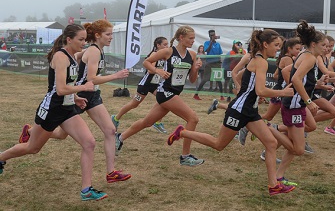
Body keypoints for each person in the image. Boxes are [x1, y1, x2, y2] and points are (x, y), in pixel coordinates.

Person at [167, 29, 296, 196]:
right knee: (218, 144)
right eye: (276, 45)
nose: (278, 49)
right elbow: (261, 90)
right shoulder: (260, 61)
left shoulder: (258, 59)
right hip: (239, 111)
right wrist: (282, 93)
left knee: (271, 143)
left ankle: (273, 185)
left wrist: (247, 91)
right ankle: (183, 132)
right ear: (265, 44)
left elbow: (245, 79)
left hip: (250, 111)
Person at [0, 25, 108, 201]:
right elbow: (59, 89)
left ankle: (86, 190)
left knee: (89, 143)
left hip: (67, 108)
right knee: (33, 148)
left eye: (84, 39)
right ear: (69, 39)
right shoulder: (60, 56)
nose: (84, 43)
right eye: (80, 39)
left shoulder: (73, 57)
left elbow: (67, 86)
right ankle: (1, 157)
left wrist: (75, 98)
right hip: (52, 109)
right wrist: (83, 87)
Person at [115, 26, 205, 166]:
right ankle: (185, 156)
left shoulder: (192, 55)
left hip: (174, 92)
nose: (193, 41)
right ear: (181, 38)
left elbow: (192, 80)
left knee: (147, 122)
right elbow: (146, 62)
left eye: (193, 38)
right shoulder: (168, 51)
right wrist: (158, 71)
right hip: (165, 92)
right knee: (193, 118)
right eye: (191, 38)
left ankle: (120, 137)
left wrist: (195, 68)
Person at [266, 20, 327, 190]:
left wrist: (320, 83)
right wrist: (309, 101)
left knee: (310, 127)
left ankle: (280, 175)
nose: (326, 48)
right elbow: (295, 79)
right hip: (294, 105)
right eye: (323, 45)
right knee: (298, 149)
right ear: (313, 44)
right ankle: (270, 127)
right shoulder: (309, 58)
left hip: (296, 103)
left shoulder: (307, 55)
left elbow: (301, 79)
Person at [111, 37, 169, 134]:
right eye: (165, 44)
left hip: (155, 84)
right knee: (134, 104)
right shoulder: (154, 54)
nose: (167, 46)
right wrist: (160, 71)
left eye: (167, 44)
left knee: (164, 100)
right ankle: (116, 118)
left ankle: (158, 122)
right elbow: (150, 70)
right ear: (158, 45)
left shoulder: (164, 55)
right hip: (145, 84)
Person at [193, 29, 224, 100]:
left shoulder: (218, 44)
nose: (213, 36)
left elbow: (220, 53)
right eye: (211, 35)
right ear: (209, 36)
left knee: (218, 79)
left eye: (214, 34)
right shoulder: (206, 43)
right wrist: (211, 42)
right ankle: (196, 94)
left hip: (217, 63)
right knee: (205, 79)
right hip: (209, 63)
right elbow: (207, 50)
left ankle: (222, 96)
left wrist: (219, 62)